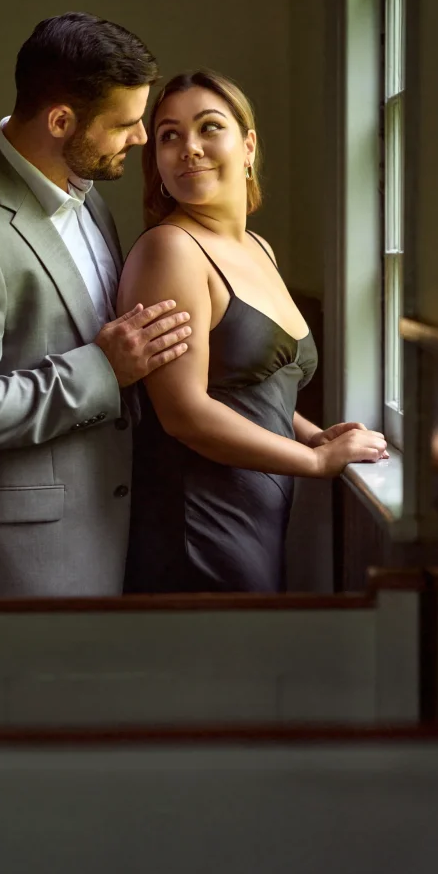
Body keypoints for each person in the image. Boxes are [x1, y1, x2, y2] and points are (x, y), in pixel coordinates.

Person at [0, 13, 191, 597]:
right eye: (125, 124)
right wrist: (102, 369)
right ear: (61, 120)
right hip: (16, 558)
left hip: (110, 530)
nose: (140, 138)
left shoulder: (86, 197)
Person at [119, 70, 388, 593]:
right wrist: (314, 460)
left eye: (208, 127)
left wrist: (313, 432)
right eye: (169, 135)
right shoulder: (170, 249)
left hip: (259, 515)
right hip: (197, 524)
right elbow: (184, 412)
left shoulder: (260, 250)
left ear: (247, 146)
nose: (188, 148)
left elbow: (247, 390)